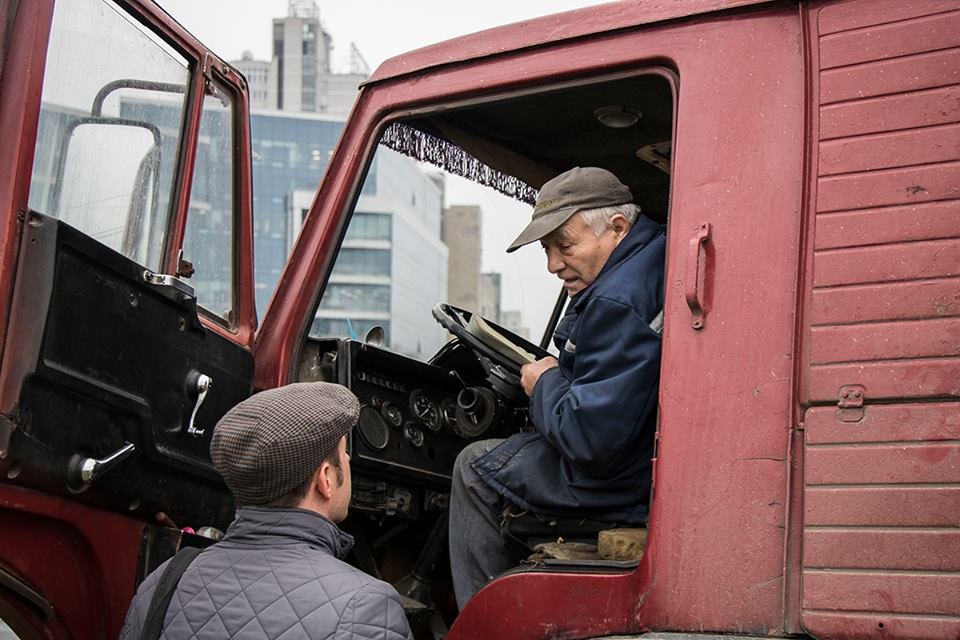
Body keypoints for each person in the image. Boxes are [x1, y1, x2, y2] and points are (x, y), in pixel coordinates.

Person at [449, 167, 665, 608]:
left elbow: (590, 441)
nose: (552, 265)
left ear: (617, 228)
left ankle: (488, 623)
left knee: (473, 467)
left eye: (564, 246)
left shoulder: (615, 301)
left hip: (621, 480)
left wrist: (544, 380)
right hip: (643, 457)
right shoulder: (651, 258)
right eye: (547, 249)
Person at [120, 382, 413, 640]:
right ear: (325, 479)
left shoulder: (164, 582)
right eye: (343, 452)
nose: (348, 460)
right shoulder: (366, 607)